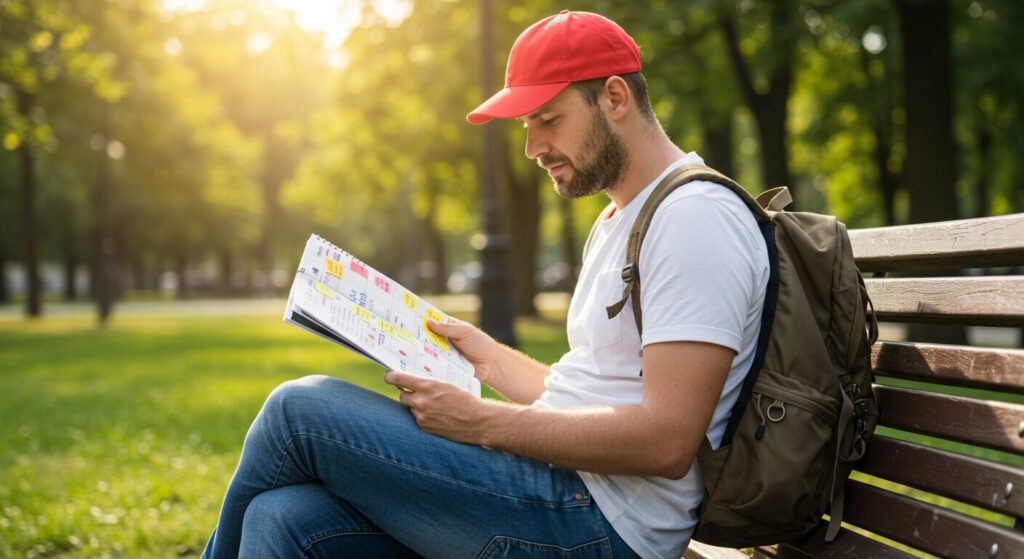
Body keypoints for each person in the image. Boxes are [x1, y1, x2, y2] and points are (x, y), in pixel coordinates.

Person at [201, 10, 767, 559]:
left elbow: (667, 440)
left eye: (548, 119)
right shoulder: (624, 216)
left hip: (602, 527)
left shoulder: (695, 218)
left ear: (615, 98)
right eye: (527, 127)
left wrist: (483, 423)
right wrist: (489, 362)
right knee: (282, 517)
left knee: (297, 411)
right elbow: (600, 396)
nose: (533, 148)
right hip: (567, 495)